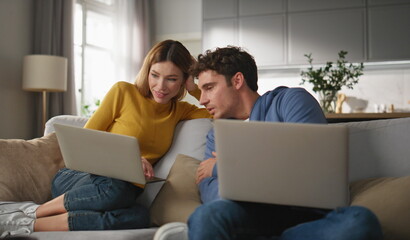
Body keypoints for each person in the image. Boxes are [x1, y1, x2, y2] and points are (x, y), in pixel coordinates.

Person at [0, 40, 212, 239]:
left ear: (183, 81)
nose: (161, 86)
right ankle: (33, 211)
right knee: (116, 188)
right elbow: (84, 142)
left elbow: (214, 110)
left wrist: (194, 84)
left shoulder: (180, 110)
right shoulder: (124, 92)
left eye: (172, 79)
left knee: (139, 216)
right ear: (147, 71)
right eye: (155, 75)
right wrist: (132, 160)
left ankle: (25, 223)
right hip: (79, 178)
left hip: (123, 191)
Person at [155, 46, 383, 240]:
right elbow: (210, 191)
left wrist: (223, 166)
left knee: (359, 221)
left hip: (309, 217)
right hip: (249, 217)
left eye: (209, 87)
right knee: (206, 216)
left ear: (237, 80)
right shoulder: (217, 134)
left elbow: (310, 162)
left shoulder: (290, 101)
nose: (203, 99)